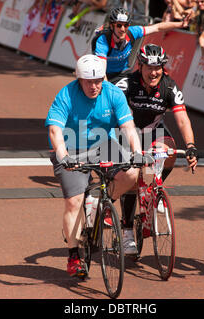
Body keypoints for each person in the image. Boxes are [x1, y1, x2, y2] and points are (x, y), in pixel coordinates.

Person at [45, 54, 147, 277]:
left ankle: (101, 203)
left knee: (132, 173)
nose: (94, 86)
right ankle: (73, 256)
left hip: (104, 144)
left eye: (98, 80)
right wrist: (63, 156)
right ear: (78, 79)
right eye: (89, 81)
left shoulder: (112, 93)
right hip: (71, 149)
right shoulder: (66, 95)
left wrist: (137, 152)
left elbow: (128, 127)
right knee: (74, 202)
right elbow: (55, 130)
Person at [115, 44, 198, 255]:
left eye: (158, 68)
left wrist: (191, 146)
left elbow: (182, 119)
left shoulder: (169, 87)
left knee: (168, 152)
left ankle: (153, 187)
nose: (154, 72)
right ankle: (126, 233)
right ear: (140, 66)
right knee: (133, 178)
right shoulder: (127, 83)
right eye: (149, 68)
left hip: (153, 131)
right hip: (128, 132)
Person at [92, 7, 191, 83]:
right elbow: (101, 70)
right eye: (119, 25)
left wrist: (180, 24)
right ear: (111, 26)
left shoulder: (133, 32)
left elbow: (158, 27)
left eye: (126, 25)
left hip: (122, 73)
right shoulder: (103, 40)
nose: (123, 29)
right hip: (102, 73)